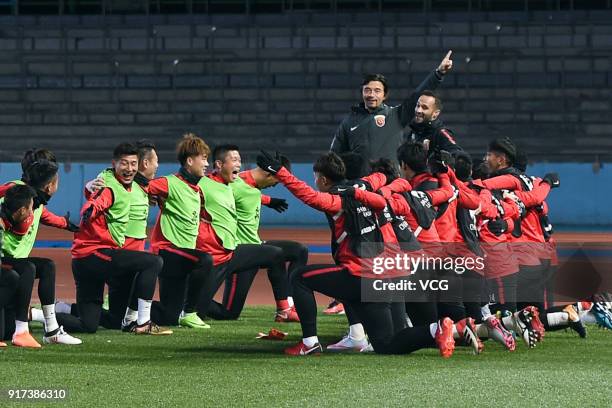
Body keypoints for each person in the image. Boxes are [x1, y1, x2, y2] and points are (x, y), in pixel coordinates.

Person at [257, 150, 467, 358]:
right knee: (386, 342)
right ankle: (440, 329)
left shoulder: (339, 200)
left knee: (299, 277)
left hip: (366, 275)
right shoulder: (382, 196)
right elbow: (390, 179)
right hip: (395, 273)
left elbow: (309, 196)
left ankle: (310, 343)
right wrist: (440, 176)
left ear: (322, 179)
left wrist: (282, 173)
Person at [55, 143, 170, 335]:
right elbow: (97, 200)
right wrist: (88, 208)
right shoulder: (110, 185)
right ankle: (142, 321)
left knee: (89, 325)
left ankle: (43, 314)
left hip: (99, 258)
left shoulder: (134, 186)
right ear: (115, 164)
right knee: (152, 263)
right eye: (125, 163)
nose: (130, 168)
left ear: (139, 164)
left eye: (133, 163)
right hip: (99, 254)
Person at [206, 145, 306, 322]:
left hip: (256, 247)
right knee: (229, 314)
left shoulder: (248, 186)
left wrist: (268, 201)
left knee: (297, 251)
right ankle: (190, 303)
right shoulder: (233, 183)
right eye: (277, 181)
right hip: (240, 253)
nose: (275, 186)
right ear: (270, 174)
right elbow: (220, 189)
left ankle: (286, 307)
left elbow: (248, 194)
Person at [330, 51, 454, 174]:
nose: (371, 95)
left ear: (385, 95)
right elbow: (334, 157)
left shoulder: (395, 116)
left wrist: (438, 73)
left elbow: (417, 95)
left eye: (377, 91)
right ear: (362, 93)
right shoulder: (348, 122)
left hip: (390, 187)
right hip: (360, 187)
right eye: (367, 90)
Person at [0, 157, 81, 347]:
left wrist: (67, 224)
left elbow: (45, 216)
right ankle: (22, 331)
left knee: (46, 266)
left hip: (12, 262)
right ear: (50, 185)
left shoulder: (36, 202)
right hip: (6, 259)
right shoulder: (16, 192)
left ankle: (51, 330)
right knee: (27, 268)